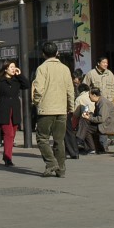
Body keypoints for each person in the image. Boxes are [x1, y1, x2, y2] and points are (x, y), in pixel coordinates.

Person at [31, 42, 75, 178]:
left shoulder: (42, 68)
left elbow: (38, 88)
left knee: (42, 138)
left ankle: (51, 163)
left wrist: (36, 101)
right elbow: (70, 89)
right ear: (57, 53)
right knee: (59, 140)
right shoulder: (65, 68)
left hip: (46, 109)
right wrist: (70, 107)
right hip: (61, 109)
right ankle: (61, 170)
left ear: (43, 54)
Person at [0, 60, 29, 166]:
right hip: (3, 109)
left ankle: (6, 154)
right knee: (9, 134)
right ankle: (8, 158)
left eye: (14, 67)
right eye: (11, 67)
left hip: (15, 109)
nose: (13, 69)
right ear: (5, 69)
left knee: (13, 134)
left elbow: (26, 85)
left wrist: (20, 75)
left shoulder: (17, 80)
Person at [81, 87, 114, 153]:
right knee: (85, 124)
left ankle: (92, 147)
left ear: (94, 95)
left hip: (108, 126)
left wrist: (89, 118)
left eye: (90, 96)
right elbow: (97, 115)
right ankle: (94, 147)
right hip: (105, 123)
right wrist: (90, 115)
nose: (89, 98)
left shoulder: (103, 103)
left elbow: (101, 119)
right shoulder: (99, 102)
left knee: (86, 129)